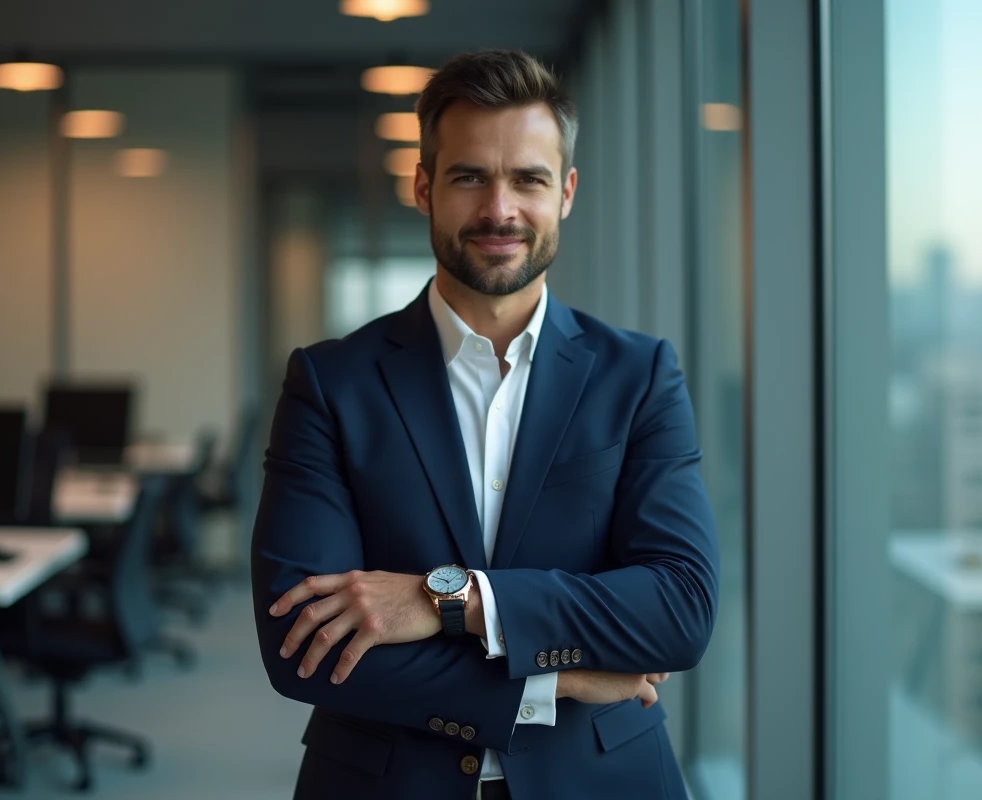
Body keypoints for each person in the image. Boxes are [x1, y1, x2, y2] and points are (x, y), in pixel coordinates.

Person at [252, 49, 719, 800]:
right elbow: (299, 646)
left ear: (565, 192)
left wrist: (454, 600)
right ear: (424, 188)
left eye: (528, 179)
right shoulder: (330, 382)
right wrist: (556, 683)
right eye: (470, 176)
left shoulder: (639, 377)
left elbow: (679, 609)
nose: (500, 209)